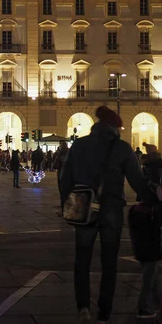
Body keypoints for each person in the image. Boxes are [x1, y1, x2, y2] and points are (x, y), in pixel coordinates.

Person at [61, 105, 145, 324]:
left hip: (84, 206)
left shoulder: (79, 145)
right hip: (112, 210)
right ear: (115, 128)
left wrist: (67, 204)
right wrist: (152, 196)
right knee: (109, 262)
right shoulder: (123, 148)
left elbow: (65, 179)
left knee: (82, 259)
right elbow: (137, 182)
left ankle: (83, 308)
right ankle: (104, 313)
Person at [129, 142, 162, 320]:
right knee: (151, 264)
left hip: (140, 214)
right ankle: (144, 305)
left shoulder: (145, 169)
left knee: (151, 263)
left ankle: (154, 301)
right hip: (152, 217)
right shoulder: (157, 171)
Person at [52, 141, 69, 210]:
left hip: (61, 175)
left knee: (62, 193)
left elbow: (55, 165)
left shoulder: (60, 154)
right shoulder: (70, 152)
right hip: (70, 176)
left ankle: (63, 209)